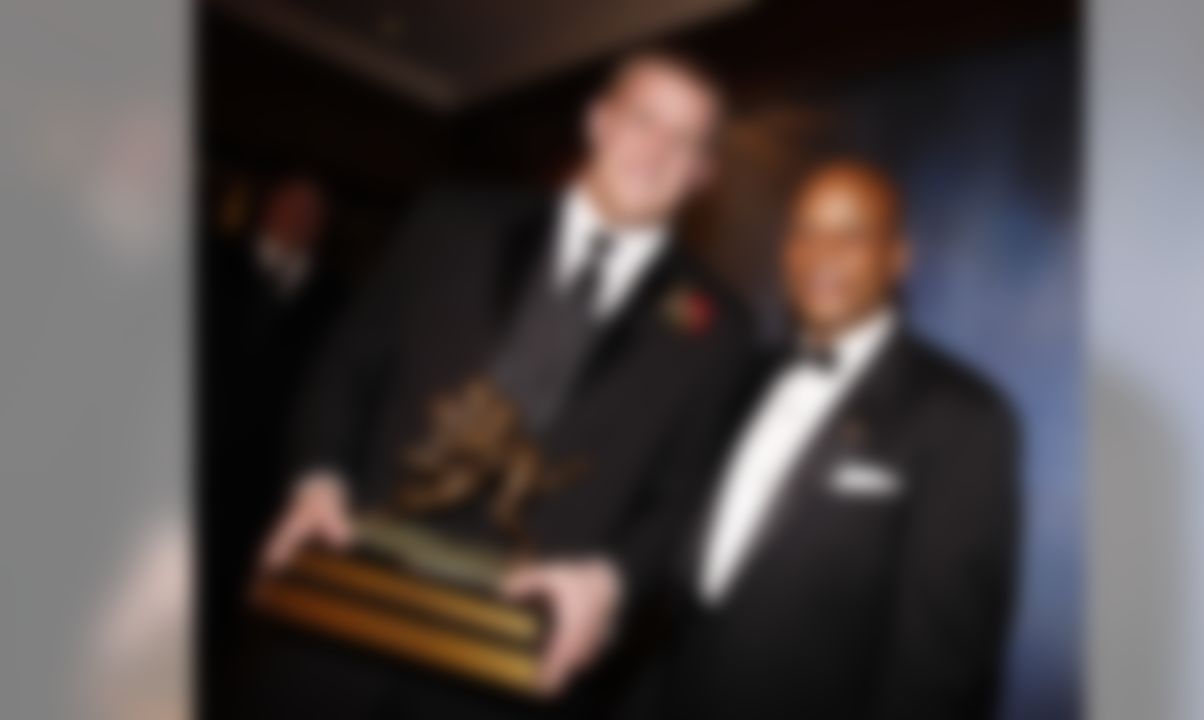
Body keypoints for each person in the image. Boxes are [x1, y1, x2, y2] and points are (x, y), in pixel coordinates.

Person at [233, 51, 752, 720]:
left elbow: (682, 498)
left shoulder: (720, 326)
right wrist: (317, 477)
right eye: (641, 119)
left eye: (683, 141)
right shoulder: (451, 222)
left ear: (704, 173)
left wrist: (612, 580)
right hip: (343, 604)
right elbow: (346, 368)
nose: (654, 151)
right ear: (596, 120)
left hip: (517, 663)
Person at [654, 161, 1020, 719]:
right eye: (804, 231)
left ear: (898, 257)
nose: (821, 252)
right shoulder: (740, 377)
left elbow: (943, 666)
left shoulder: (964, 416)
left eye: (851, 234)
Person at [202, 174, 344, 671]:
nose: (301, 218)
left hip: (266, 473)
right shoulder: (211, 262)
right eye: (292, 204)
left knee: (231, 586)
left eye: (314, 211)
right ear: (267, 208)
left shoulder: (338, 297)